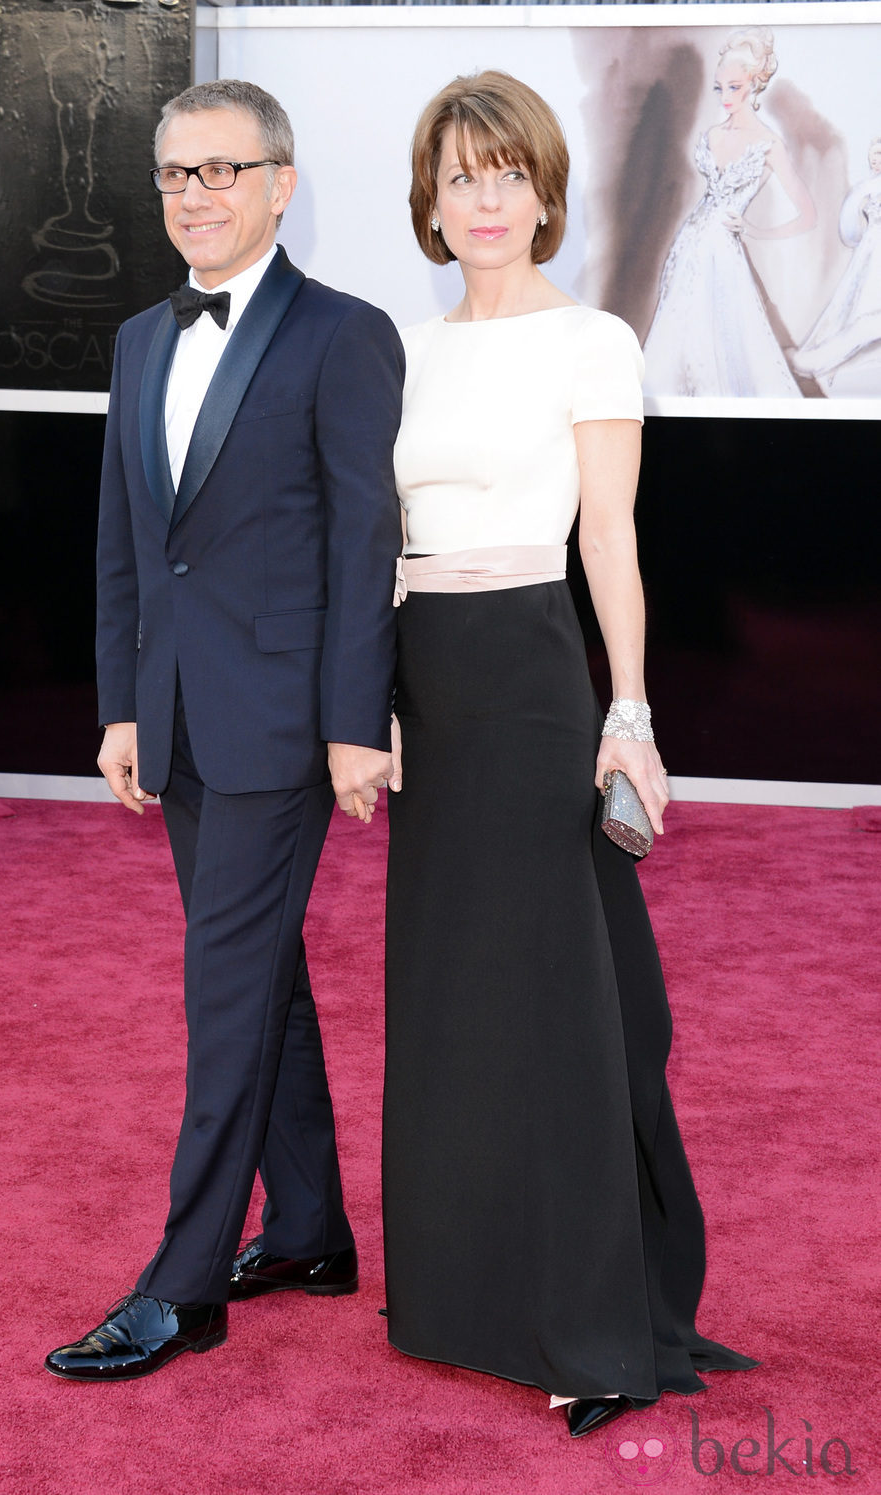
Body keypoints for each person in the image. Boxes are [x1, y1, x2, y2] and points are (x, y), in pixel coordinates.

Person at [382, 70, 757, 1439]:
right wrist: (371, 712)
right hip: (425, 681)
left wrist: (632, 708)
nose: (483, 197)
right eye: (458, 173)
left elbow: (612, 540)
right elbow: (378, 543)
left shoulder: (594, 339)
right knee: (448, 997)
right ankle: (463, 1296)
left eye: (507, 172)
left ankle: (596, 1325)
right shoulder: (401, 350)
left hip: (535, 677)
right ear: (428, 196)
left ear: (546, 191)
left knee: (560, 1006)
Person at [44, 79, 404, 1382]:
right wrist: (124, 700)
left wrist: (356, 720)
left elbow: (367, 540)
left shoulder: (344, 334)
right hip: (181, 715)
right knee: (261, 976)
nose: (197, 195)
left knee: (223, 990)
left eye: (224, 171)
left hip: (286, 727)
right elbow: (128, 541)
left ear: (282, 181)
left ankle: (184, 1283)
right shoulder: (142, 336)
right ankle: (308, 1228)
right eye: (177, 175)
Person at [642, 28, 815, 397]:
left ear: (754, 84)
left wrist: (755, 231)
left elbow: (808, 215)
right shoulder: (712, 134)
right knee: (677, 332)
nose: (725, 96)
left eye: (734, 87)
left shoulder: (769, 144)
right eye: (719, 87)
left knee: (726, 338)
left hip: (723, 250)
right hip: (688, 244)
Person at [793, 137, 881, 393]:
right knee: (863, 296)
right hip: (871, 249)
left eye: (880, 155)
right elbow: (849, 230)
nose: (876, 160)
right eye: (873, 156)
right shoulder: (864, 189)